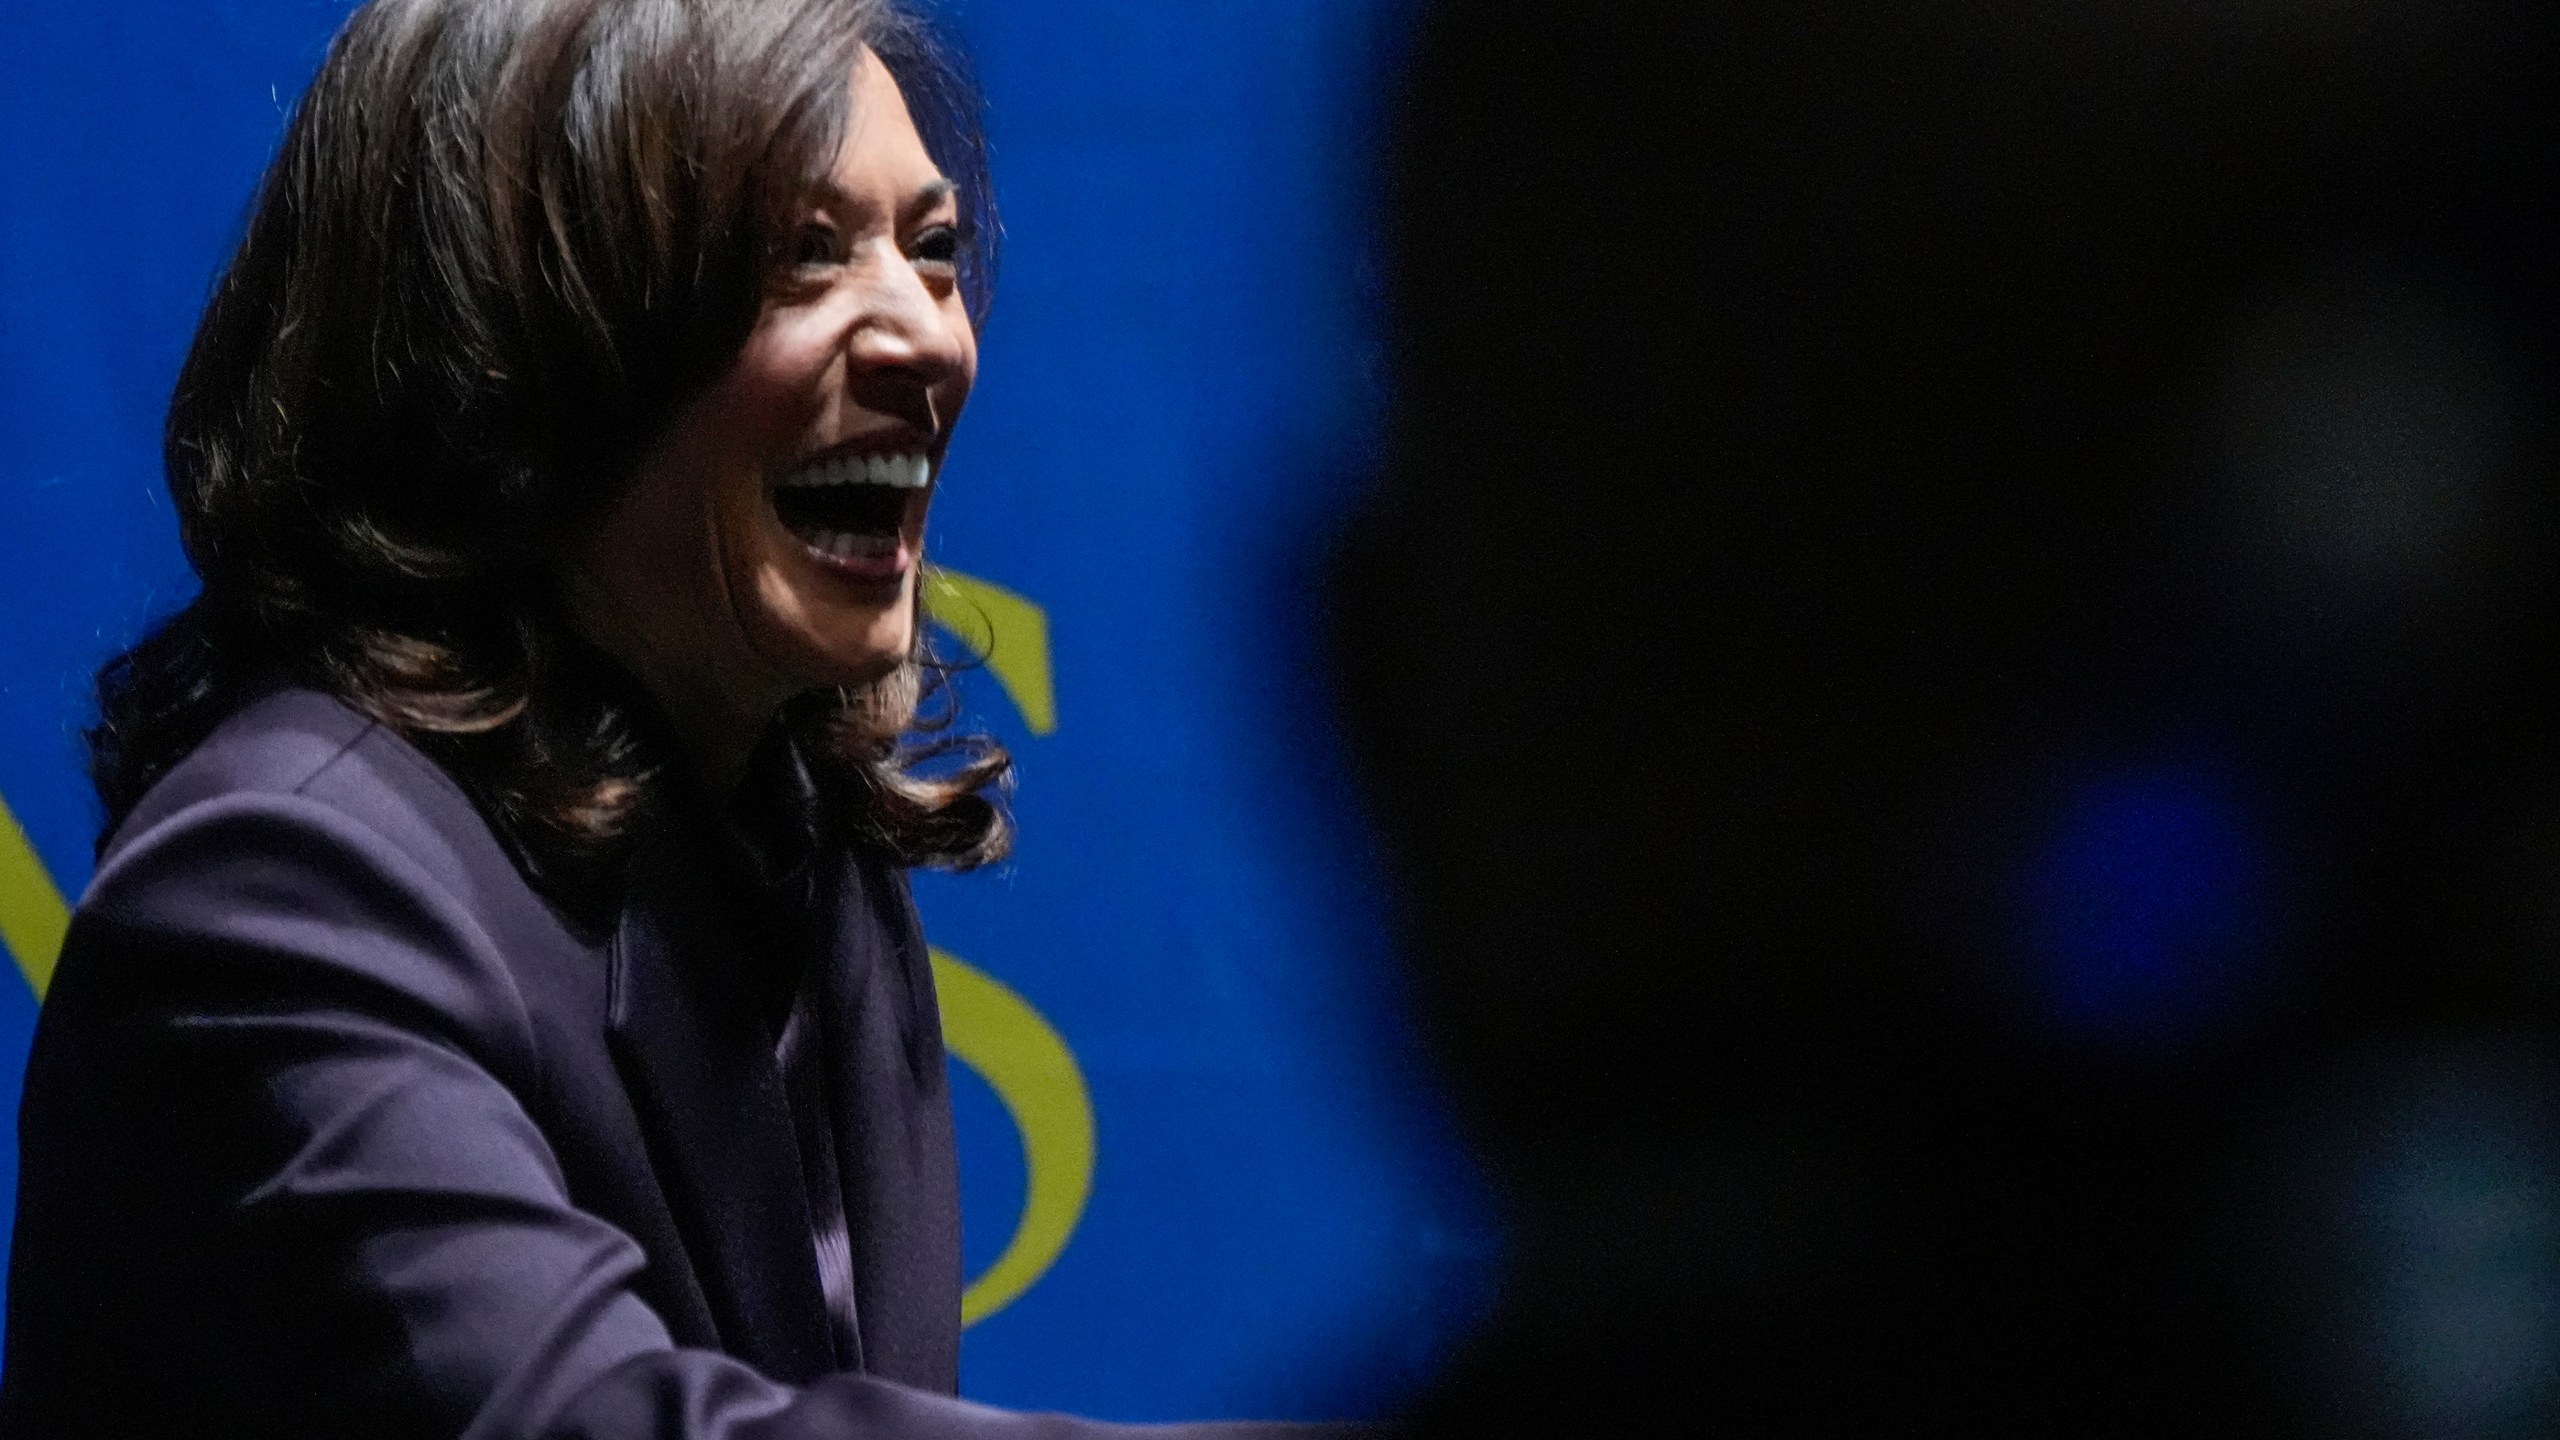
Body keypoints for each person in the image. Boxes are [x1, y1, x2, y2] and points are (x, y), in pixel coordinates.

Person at [0, 0, 1317, 1435]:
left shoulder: (794, 839)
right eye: (802, 253)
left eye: (929, 250)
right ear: (507, 346)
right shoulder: (278, 892)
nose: (924, 339)